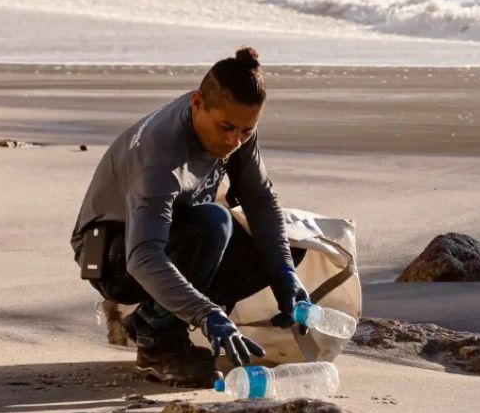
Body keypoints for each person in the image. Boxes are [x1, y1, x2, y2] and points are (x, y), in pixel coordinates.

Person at [70, 47, 310, 387]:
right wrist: (208, 315)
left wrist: (284, 271)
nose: (234, 141)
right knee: (214, 223)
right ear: (197, 103)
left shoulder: (235, 128)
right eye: (226, 128)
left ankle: (149, 318)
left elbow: (260, 199)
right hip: (113, 255)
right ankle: (158, 345)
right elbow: (143, 257)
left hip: (173, 232)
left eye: (246, 131)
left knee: (284, 247)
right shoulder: (159, 156)